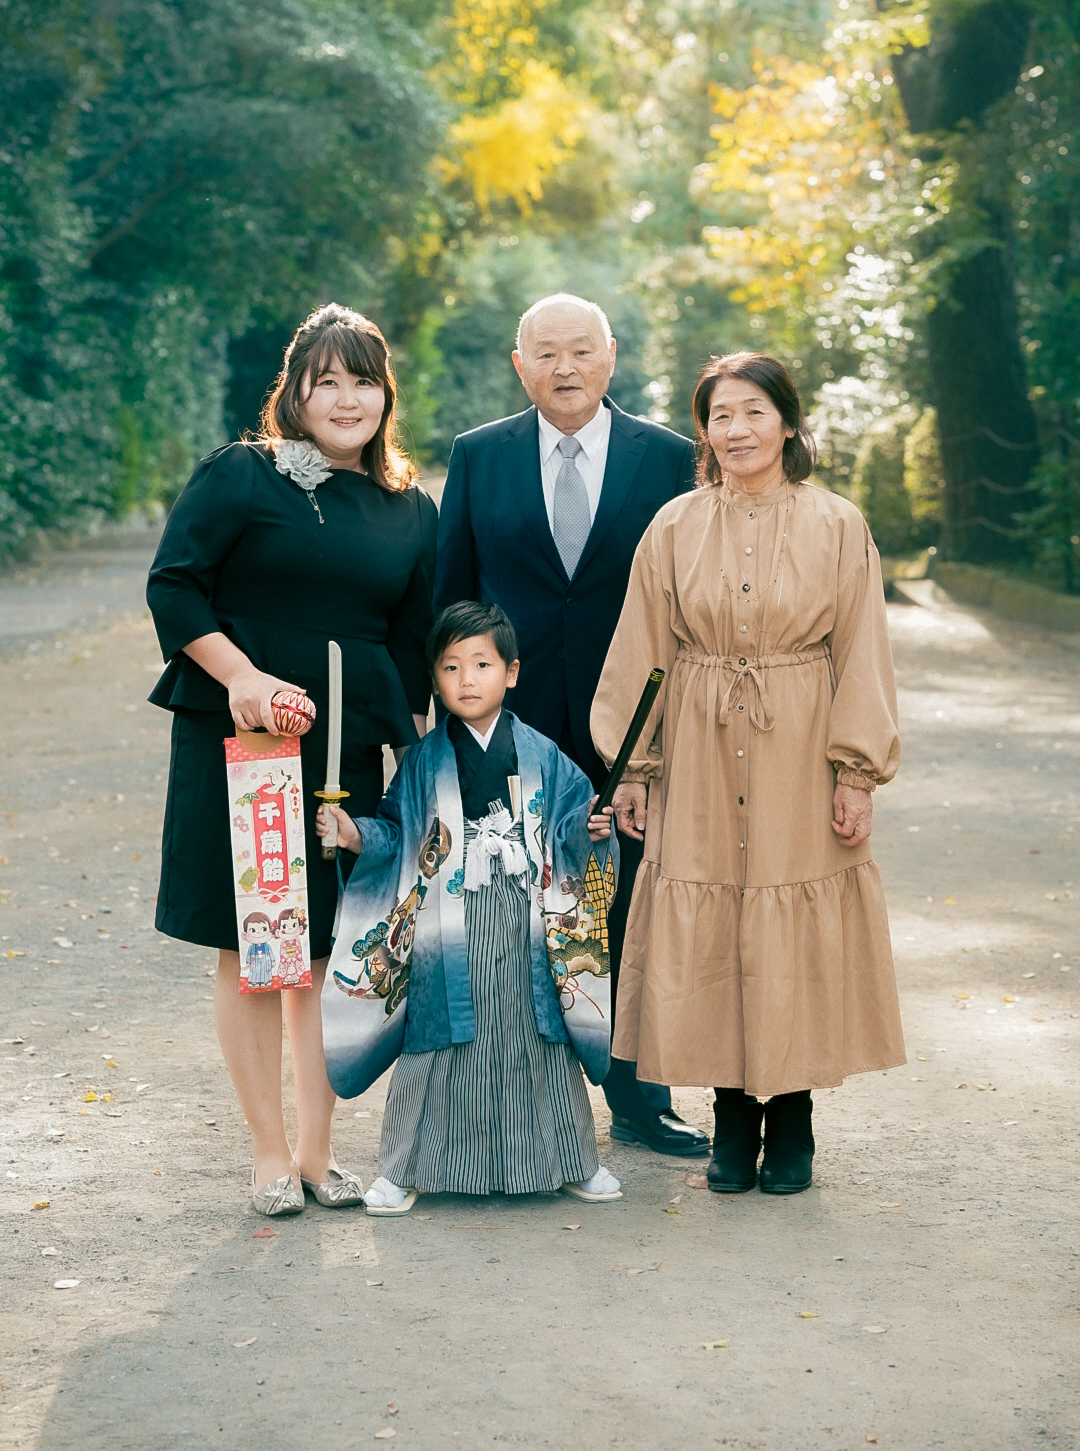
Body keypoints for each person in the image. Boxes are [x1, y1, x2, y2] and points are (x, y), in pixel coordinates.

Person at [591, 351, 905, 1195]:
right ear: (706, 431)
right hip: (694, 740)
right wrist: (633, 768)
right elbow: (643, 652)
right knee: (715, 930)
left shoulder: (839, 525)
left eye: (753, 412)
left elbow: (862, 656)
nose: (736, 430)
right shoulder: (674, 526)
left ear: (789, 423)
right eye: (721, 416)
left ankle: (792, 1115)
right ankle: (732, 1117)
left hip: (800, 746)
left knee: (790, 922)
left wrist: (855, 773)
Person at [146, 303, 437, 1215]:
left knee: (328, 949)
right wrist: (240, 675)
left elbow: (410, 643)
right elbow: (175, 583)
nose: (346, 398)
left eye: (363, 380)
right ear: (296, 393)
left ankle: (319, 1154)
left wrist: (423, 768)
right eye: (327, 380)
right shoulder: (246, 476)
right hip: (247, 748)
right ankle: (269, 1157)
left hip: (347, 758)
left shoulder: (410, 510)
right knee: (252, 947)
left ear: (385, 395)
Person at [434, 292, 708, 1157]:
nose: (565, 368)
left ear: (611, 356)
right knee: (509, 902)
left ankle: (640, 1092)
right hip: (508, 721)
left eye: (581, 351)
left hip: (636, 721)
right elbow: (454, 591)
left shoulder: (667, 458)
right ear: (520, 365)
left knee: (631, 900)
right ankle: (510, 1094)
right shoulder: (479, 456)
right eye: (546, 353)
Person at [317, 601, 622, 1215]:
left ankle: (571, 1161)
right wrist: (354, 835)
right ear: (435, 679)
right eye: (451, 667)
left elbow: (571, 820)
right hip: (443, 929)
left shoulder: (540, 751)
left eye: (482, 664)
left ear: (511, 673)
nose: (467, 679)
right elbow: (399, 836)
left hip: (526, 921)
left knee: (539, 1036)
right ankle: (403, 1169)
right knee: (436, 1037)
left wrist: (588, 830)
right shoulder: (425, 760)